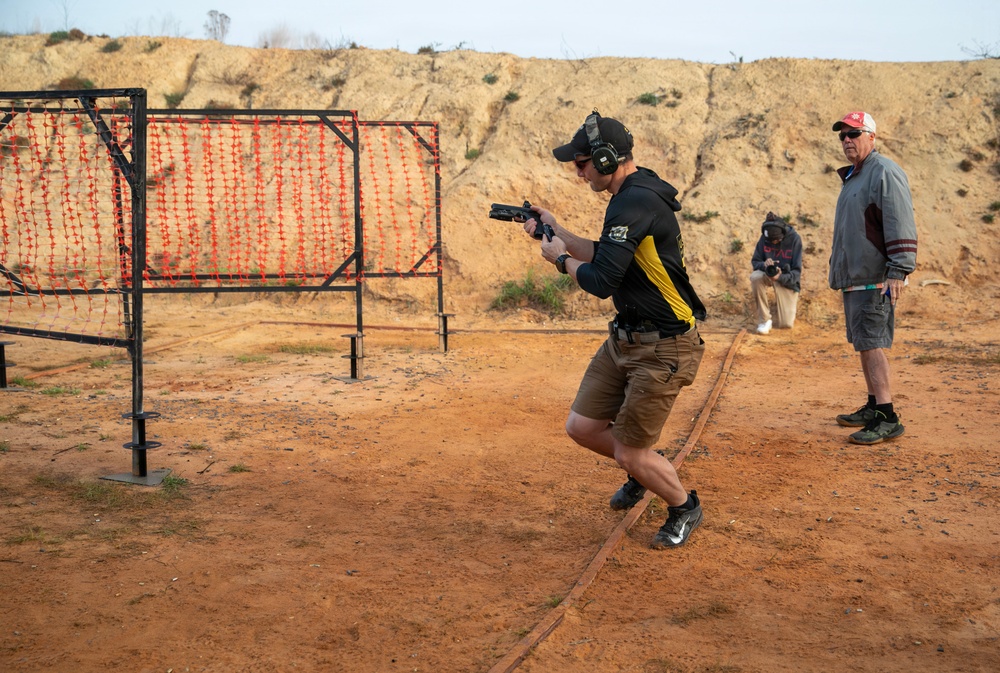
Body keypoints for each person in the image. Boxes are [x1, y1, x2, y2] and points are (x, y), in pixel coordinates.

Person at [521, 110, 707, 549]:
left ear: (605, 159)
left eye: (582, 164)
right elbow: (607, 255)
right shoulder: (629, 196)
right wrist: (556, 230)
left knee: (631, 451)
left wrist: (560, 260)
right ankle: (642, 471)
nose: (579, 173)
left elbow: (601, 282)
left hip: (664, 346)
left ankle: (683, 505)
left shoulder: (634, 202)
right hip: (627, 338)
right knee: (582, 427)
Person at [829, 111, 917, 444]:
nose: (847, 140)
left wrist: (899, 268)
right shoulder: (856, 176)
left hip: (876, 278)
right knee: (864, 343)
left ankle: (887, 415)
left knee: (873, 342)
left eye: (854, 133)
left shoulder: (884, 172)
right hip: (856, 277)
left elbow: (900, 221)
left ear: (872, 137)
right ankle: (871, 405)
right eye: (843, 135)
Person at [749, 212, 802, 334]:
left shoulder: (795, 239)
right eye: (770, 241)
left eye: (776, 240)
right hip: (768, 274)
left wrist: (780, 277)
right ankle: (765, 320)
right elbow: (755, 261)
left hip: (786, 280)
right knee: (755, 277)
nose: (773, 243)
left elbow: (797, 273)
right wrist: (764, 264)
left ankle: (781, 312)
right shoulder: (764, 238)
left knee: (786, 325)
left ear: (783, 234)